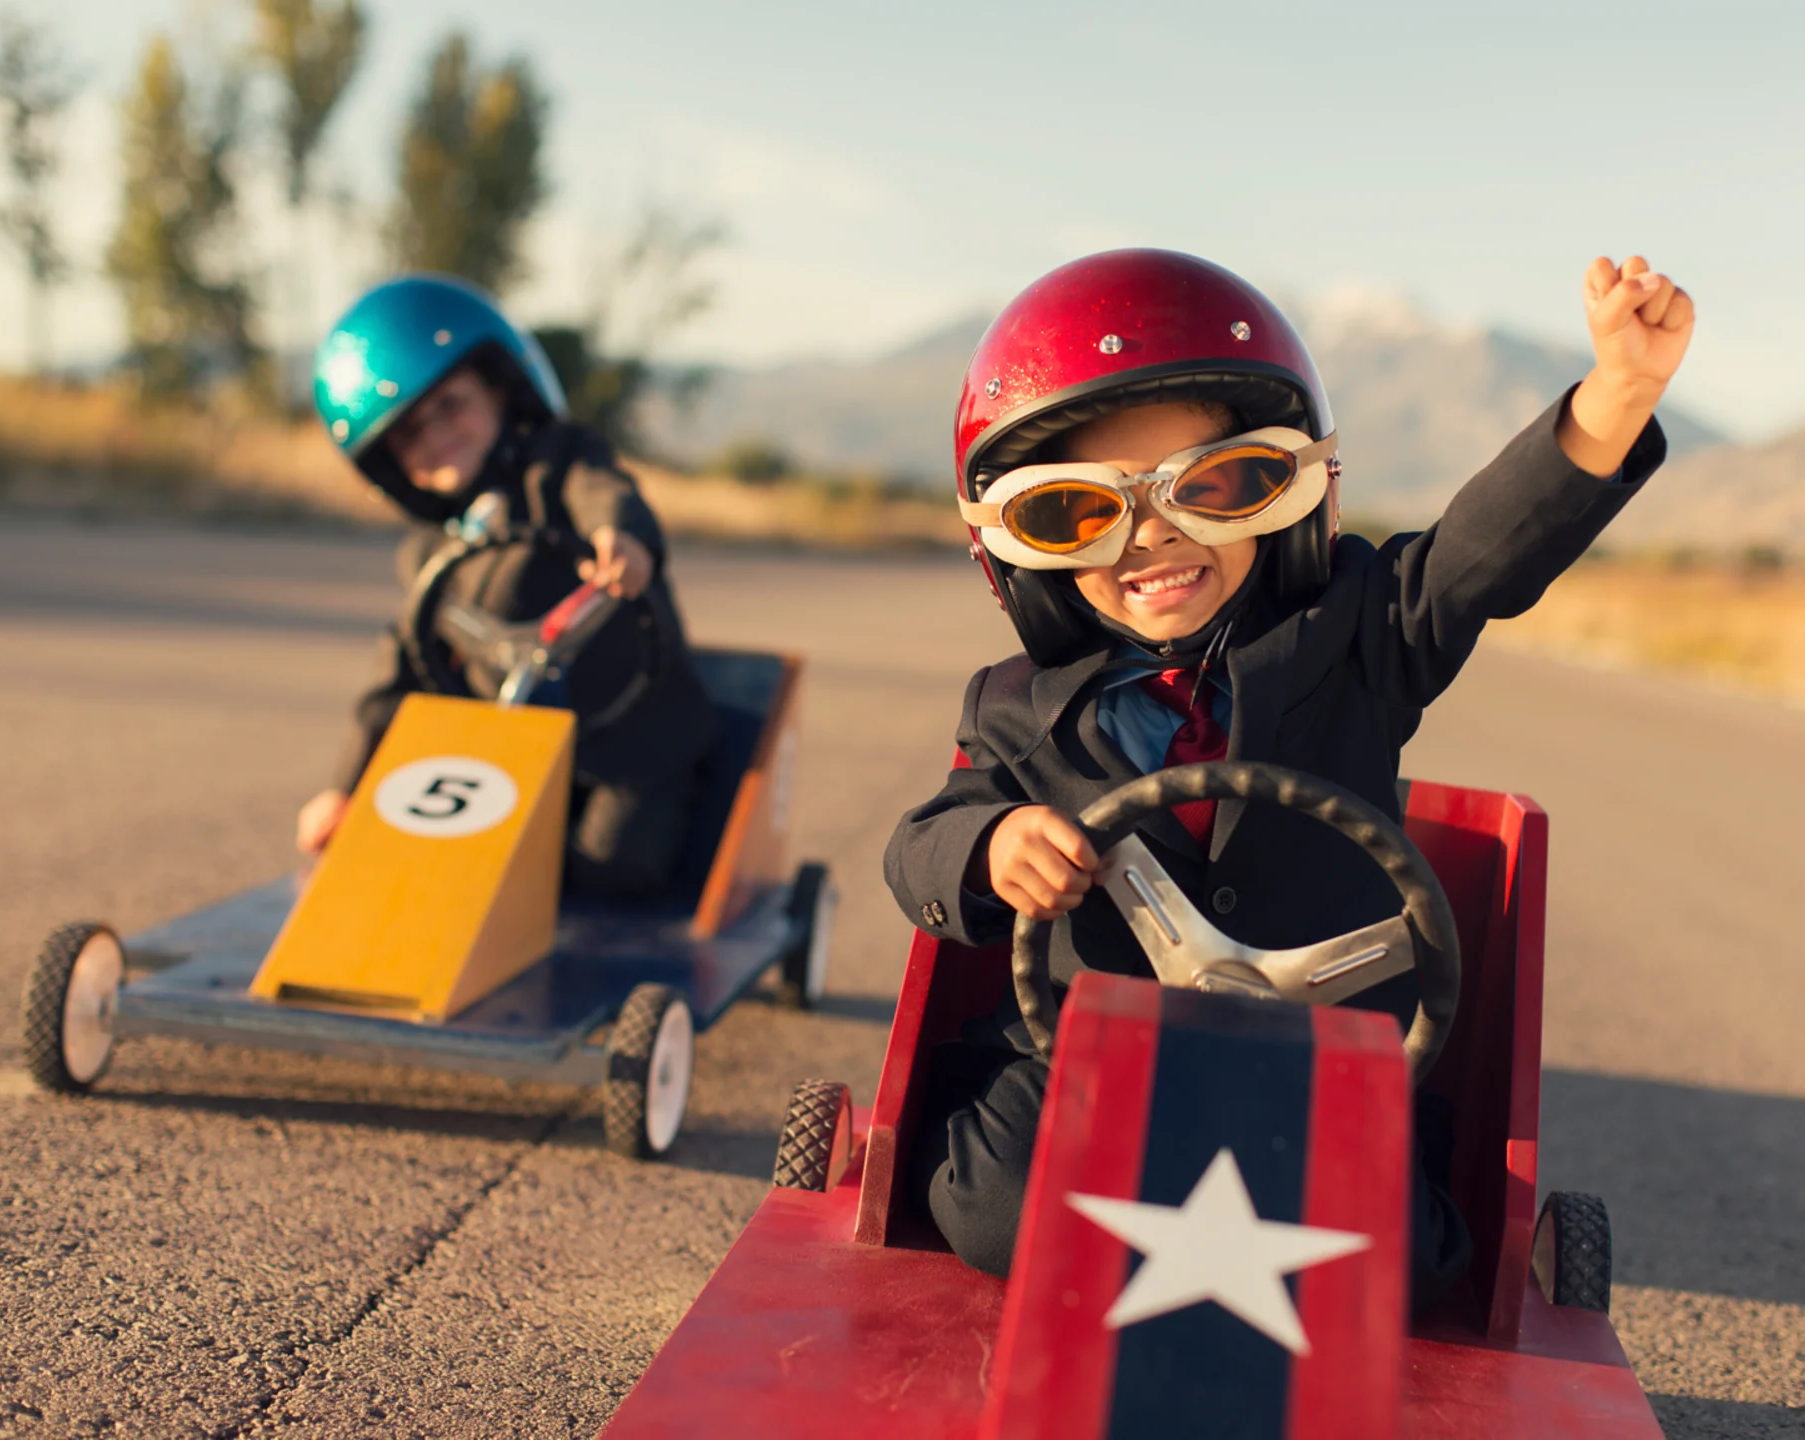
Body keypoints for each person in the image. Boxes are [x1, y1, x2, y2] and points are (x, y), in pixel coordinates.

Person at [885, 248, 1693, 1304]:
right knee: (985, 1205)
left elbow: (1477, 559)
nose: (1155, 536)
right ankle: (1157, 1269)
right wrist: (992, 848)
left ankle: (1268, 1251)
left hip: (1318, 1078)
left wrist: (1616, 397)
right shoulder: (1011, 707)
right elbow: (923, 846)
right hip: (1088, 1074)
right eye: (1080, 512)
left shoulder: (1356, 633)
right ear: (1017, 551)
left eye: (1213, 486)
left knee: (1401, 1271)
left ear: (1294, 487)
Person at [296, 274, 715, 896]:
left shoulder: (561, 464)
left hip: (625, 743)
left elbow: (604, 490)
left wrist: (619, 537)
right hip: (499, 757)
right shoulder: (430, 558)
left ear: (499, 387)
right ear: (390, 464)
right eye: (409, 432)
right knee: (428, 854)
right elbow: (399, 674)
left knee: (611, 863)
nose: (436, 435)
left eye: (451, 405)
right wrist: (344, 787)